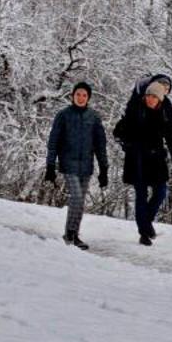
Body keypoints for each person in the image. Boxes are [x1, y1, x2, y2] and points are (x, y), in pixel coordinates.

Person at [114, 75, 172, 246]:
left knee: (161, 192)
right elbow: (120, 130)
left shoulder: (166, 109)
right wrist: (127, 143)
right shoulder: (137, 107)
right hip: (137, 157)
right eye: (149, 96)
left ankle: (146, 222)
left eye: (156, 96)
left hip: (157, 157)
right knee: (141, 195)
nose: (151, 99)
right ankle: (144, 232)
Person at [44, 81, 108, 250]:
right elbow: (53, 142)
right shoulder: (63, 115)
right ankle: (71, 233)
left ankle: (72, 234)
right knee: (77, 197)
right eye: (78, 94)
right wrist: (50, 166)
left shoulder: (94, 117)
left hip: (86, 166)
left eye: (84, 95)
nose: (81, 98)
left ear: (88, 98)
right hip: (68, 163)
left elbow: (100, 145)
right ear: (73, 96)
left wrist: (104, 169)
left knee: (79, 202)